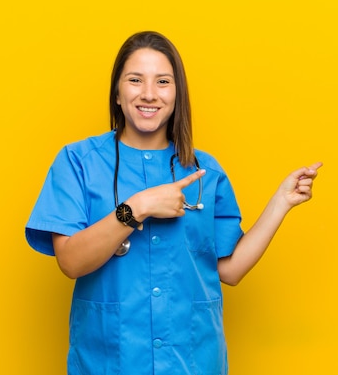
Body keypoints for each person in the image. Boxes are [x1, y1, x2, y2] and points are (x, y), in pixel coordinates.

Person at [25, 31, 322, 375]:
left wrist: (280, 203)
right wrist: (138, 207)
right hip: (110, 362)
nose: (148, 94)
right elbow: (70, 261)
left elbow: (230, 270)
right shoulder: (78, 162)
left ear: (177, 94)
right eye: (135, 80)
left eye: (163, 82)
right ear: (117, 93)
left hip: (193, 361)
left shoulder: (205, 172)